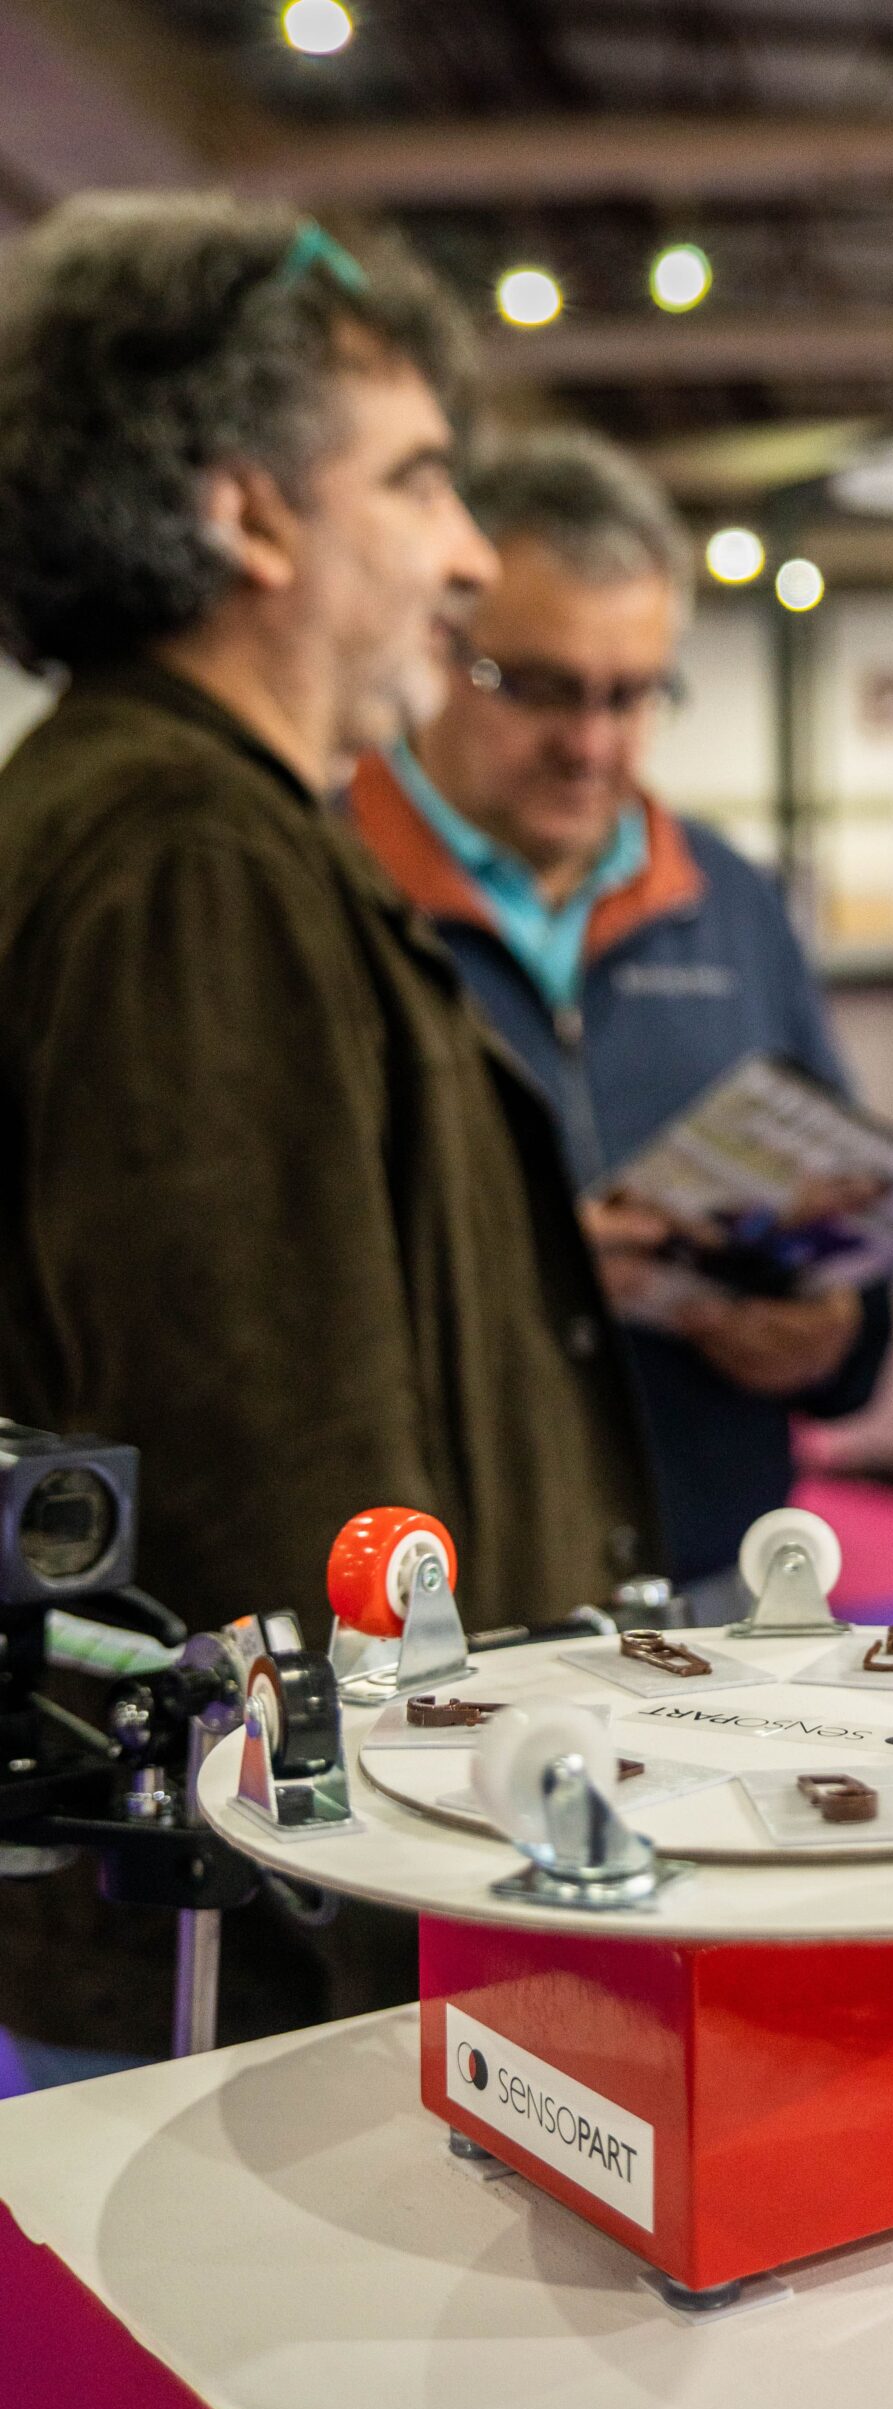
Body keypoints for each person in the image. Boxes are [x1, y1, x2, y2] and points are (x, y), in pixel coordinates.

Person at [0, 195, 658, 2047]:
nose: (467, 554)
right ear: (252, 513)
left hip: (288, 1924)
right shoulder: (188, 855)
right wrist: (436, 1975)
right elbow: (274, 1486)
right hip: (291, 1960)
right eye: (418, 480)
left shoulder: (201, 825)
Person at [350, 429, 891, 1617]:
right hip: (445, 1598)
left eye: (632, 694)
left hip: (719, 1581)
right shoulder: (325, 885)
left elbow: (853, 1238)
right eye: (540, 688)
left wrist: (831, 1334)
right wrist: (538, 1275)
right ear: (440, 643)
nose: (589, 745)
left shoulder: (729, 897)